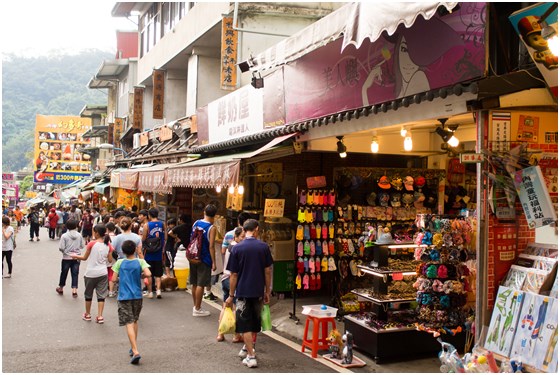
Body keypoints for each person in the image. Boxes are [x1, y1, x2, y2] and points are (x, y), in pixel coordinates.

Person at [225, 219, 273, 368]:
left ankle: (251, 356)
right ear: (257, 229)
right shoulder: (263, 247)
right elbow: (267, 270)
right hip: (258, 290)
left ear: (244, 230)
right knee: (254, 321)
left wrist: (231, 295)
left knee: (244, 323)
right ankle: (248, 347)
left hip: (243, 291)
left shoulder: (237, 248)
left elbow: (233, 274)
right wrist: (267, 290)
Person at [112, 240, 151, 365]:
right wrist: (140, 276)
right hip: (137, 296)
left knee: (128, 323)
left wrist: (121, 278)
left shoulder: (120, 262)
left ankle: (135, 351)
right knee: (134, 320)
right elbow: (148, 274)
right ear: (134, 250)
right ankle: (133, 345)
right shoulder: (140, 262)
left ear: (122, 251)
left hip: (124, 296)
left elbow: (113, 279)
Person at [71, 224, 113, 324]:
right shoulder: (108, 245)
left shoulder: (91, 244)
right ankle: (100, 316)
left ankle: (88, 314)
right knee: (101, 295)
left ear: (97, 233)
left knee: (88, 294)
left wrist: (75, 256)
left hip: (90, 273)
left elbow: (85, 258)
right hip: (103, 272)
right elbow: (110, 260)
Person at [217, 226, 245, 343]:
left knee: (225, 306)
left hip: (225, 278)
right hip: (232, 280)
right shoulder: (237, 248)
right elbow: (235, 272)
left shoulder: (230, 246)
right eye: (242, 237)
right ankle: (236, 335)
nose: (244, 239)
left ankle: (220, 334)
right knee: (235, 308)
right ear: (236, 237)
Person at [189, 204, 217, 317]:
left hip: (193, 256)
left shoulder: (196, 223)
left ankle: (195, 305)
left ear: (204, 212)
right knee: (201, 283)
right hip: (204, 258)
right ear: (215, 215)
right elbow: (211, 246)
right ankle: (198, 308)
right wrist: (214, 262)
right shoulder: (212, 228)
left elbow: (192, 238)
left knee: (194, 282)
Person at [110, 217, 143, 298]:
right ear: (131, 225)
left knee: (123, 279)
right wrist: (143, 262)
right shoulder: (137, 237)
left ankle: (124, 294)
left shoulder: (117, 238)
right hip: (134, 261)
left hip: (121, 261)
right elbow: (139, 252)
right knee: (135, 279)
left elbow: (111, 249)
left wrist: (110, 259)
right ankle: (134, 294)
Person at [141, 208, 165, 299]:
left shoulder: (147, 225)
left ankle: (150, 292)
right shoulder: (162, 224)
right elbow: (165, 236)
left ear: (149, 215)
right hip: (159, 252)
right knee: (158, 274)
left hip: (149, 253)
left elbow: (143, 238)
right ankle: (158, 291)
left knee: (149, 274)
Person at [56, 219, 84, 297]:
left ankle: (61, 288)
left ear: (67, 226)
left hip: (66, 257)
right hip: (77, 257)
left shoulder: (64, 236)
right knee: (75, 273)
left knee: (64, 272)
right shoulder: (79, 235)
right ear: (76, 226)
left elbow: (61, 247)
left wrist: (65, 251)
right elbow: (82, 246)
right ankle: (74, 290)